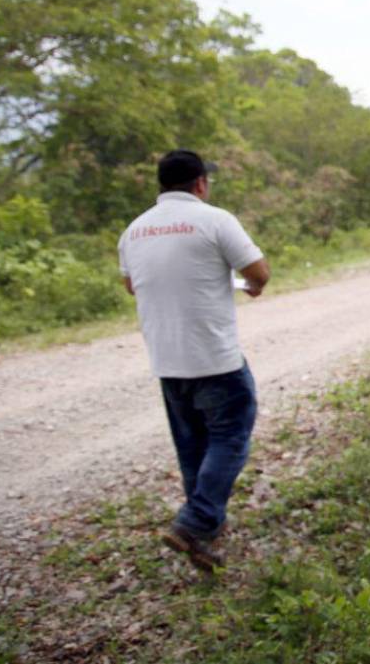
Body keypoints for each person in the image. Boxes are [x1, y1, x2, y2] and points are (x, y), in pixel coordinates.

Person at [118, 150, 270, 572]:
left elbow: (133, 285)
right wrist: (246, 285)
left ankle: (206, 532)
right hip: (215, 359)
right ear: (200, 184)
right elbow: (259, 273)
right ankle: (195, 521)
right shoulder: (215, 219)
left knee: (192, 449)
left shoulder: (133, 231)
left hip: (167, 362)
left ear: (161, 186)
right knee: (230, 437)